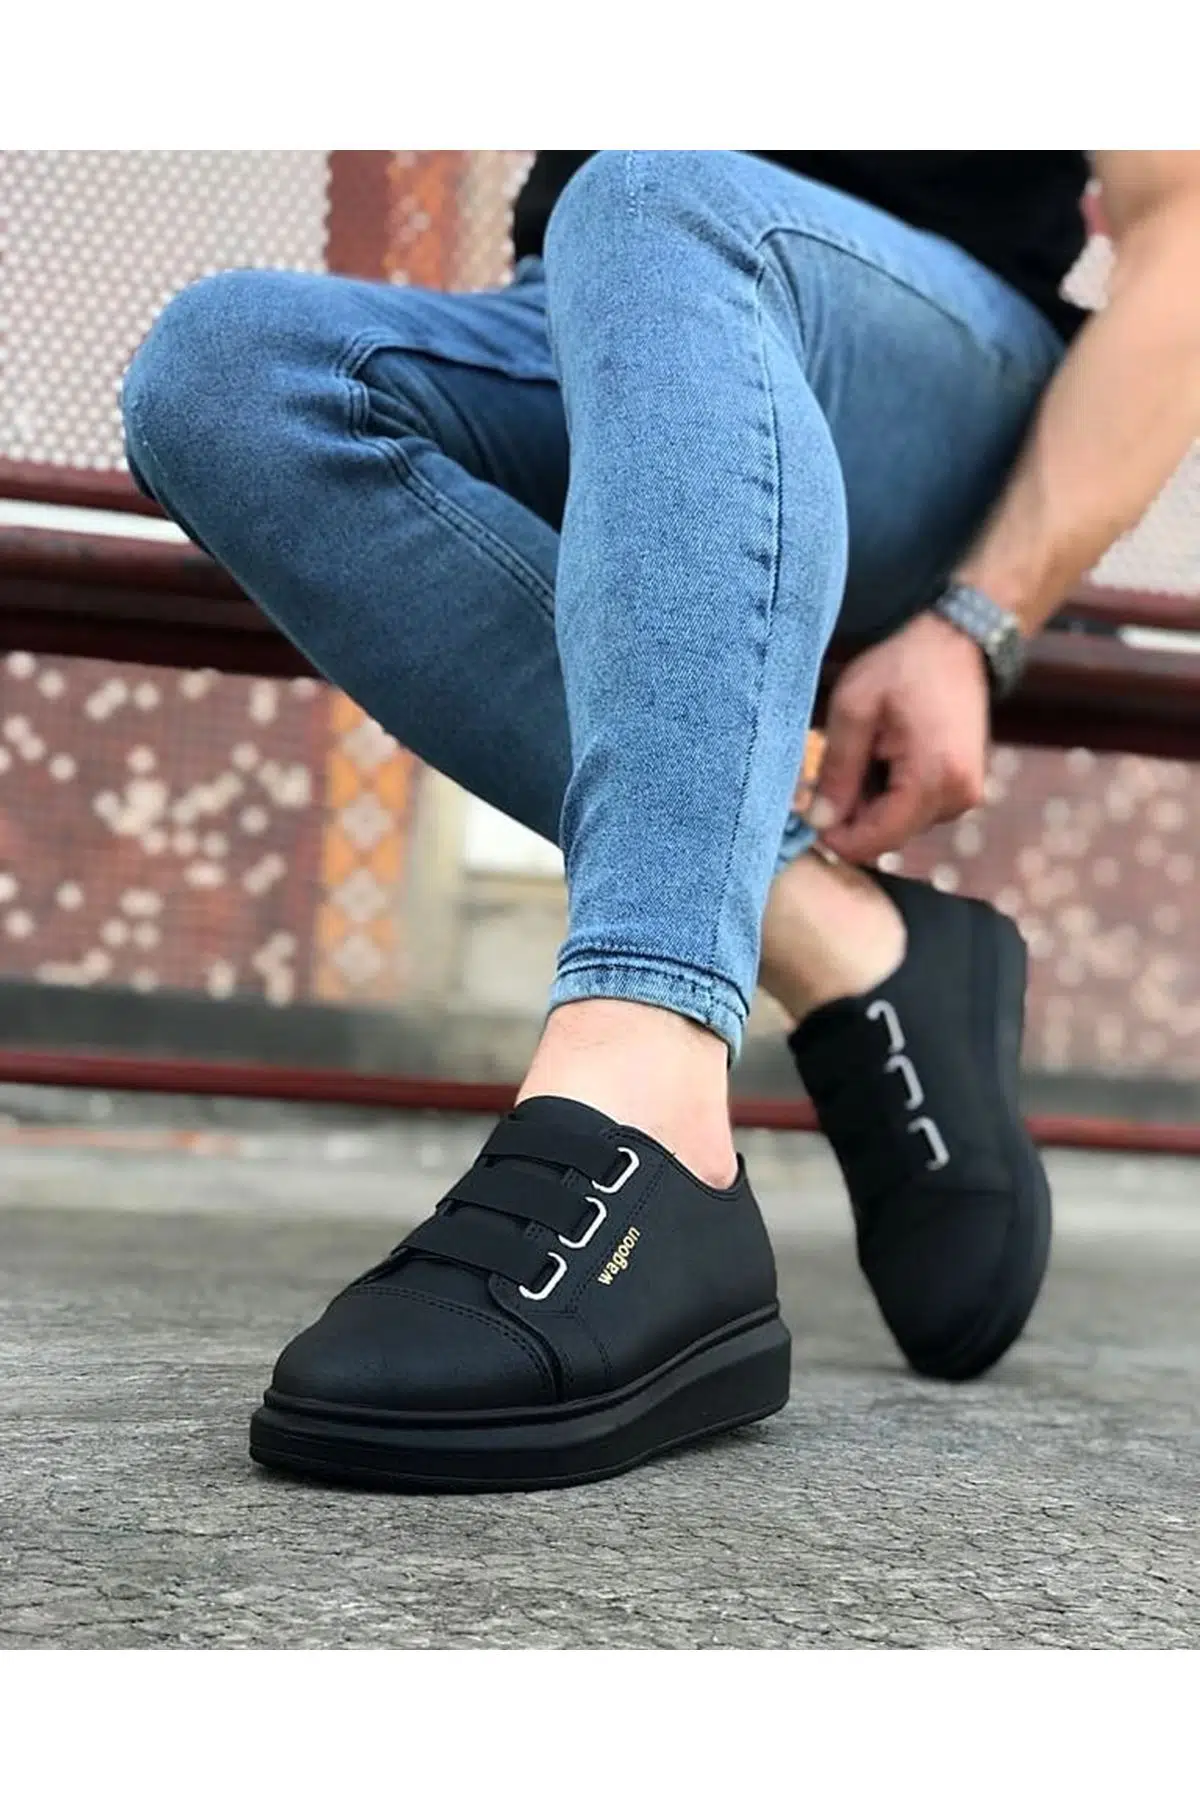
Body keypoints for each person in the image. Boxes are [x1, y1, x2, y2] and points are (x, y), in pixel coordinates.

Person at [121, 150, 1200, 1493]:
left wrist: (978, 619)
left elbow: (1185, 231)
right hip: (600, 316)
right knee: (226, 373)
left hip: (919, 374)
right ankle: (841, 938)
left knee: (651, 200)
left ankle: (650, 1098)